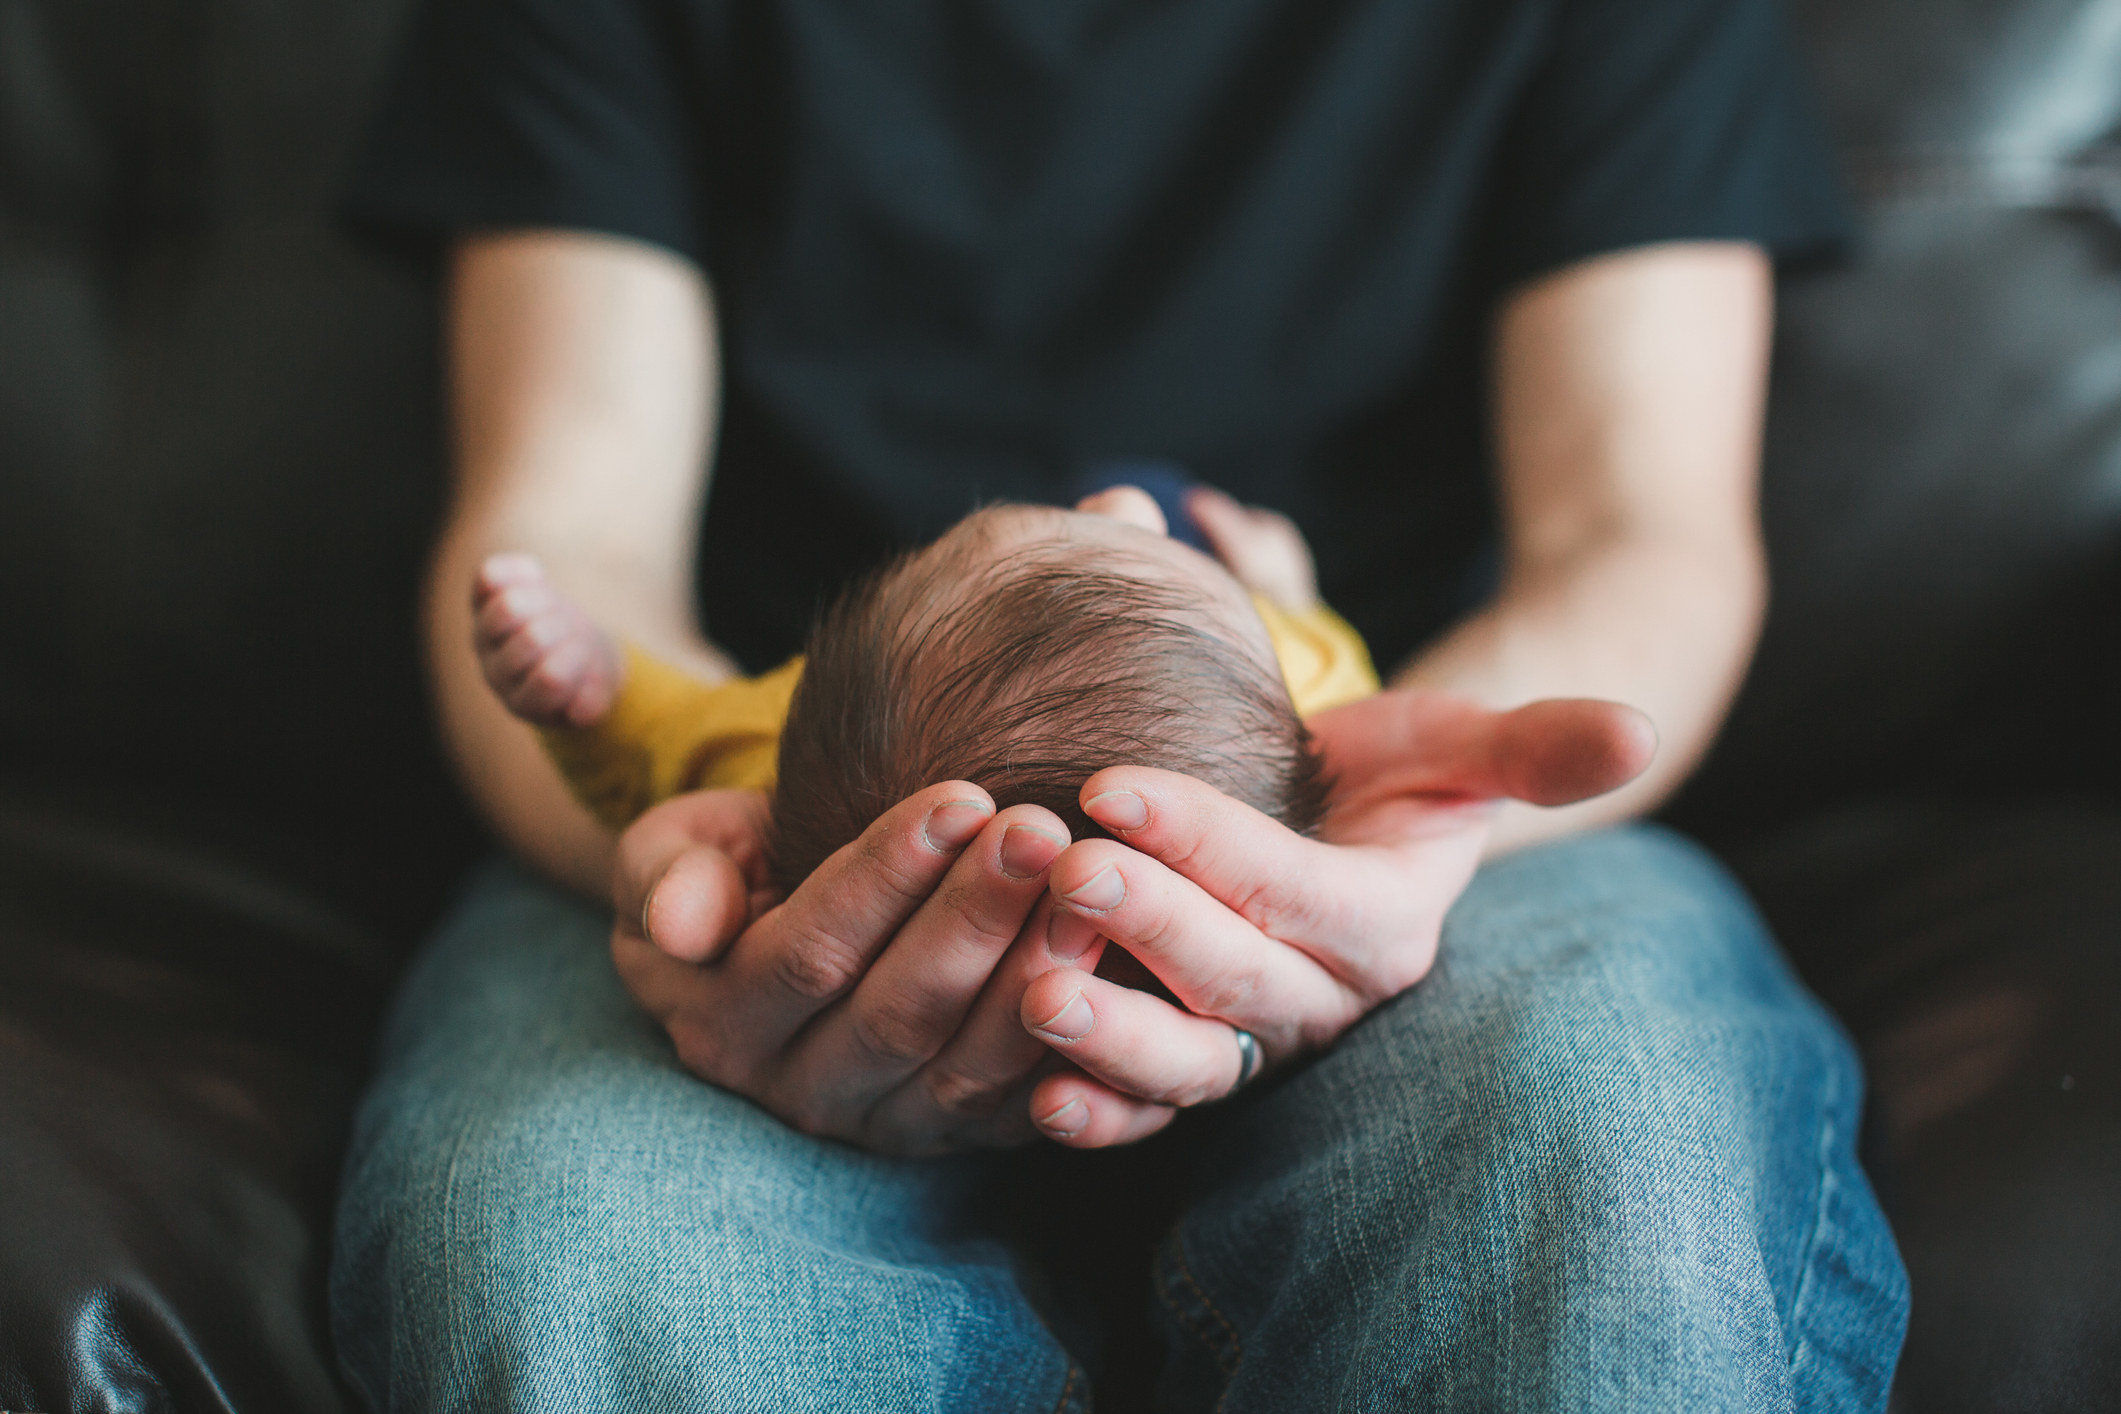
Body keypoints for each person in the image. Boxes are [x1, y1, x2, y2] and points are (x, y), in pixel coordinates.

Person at [331, 0, 1911, 1408]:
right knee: (570, 1241)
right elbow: (563, 533)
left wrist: (1399, 824)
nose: (1111, 499)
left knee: (1611, 1166)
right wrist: (680, 854)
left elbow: (1637, 538)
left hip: (1406, 796)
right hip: (782, 785)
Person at [472, 494, 1396, 888]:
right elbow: (1328, 643)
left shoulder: (761, 752)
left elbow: (645, 753)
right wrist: (1282, 591)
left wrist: (593, 691)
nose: (1120, 499)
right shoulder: (1305, 683)